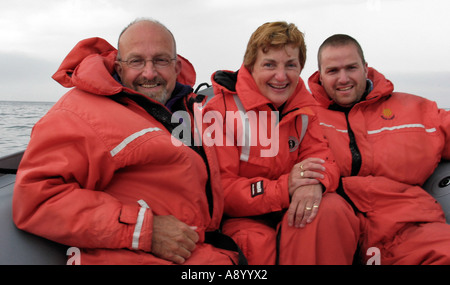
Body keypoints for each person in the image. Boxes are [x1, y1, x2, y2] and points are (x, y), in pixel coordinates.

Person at [12, 18, 240, 265]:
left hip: (204, 249)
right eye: (136, 61)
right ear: (119, 68)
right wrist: (145, 230)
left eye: (161, 60)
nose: (150, 73)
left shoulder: (188, 110)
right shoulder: (79, 112)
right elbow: (37, 199)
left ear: (176, 67)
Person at [203, 22, 360, 265]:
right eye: (269, 65)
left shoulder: (304, 108)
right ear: (250, 66)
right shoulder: (219, 112)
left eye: (290, 65)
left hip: (292, 211)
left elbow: (324, 160)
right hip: (244, 220)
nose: (281, 76)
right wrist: (285, 187)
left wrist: (316, 183)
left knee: (333, 209)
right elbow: (222, 191)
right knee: (257, 243)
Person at [308, 34, 450, 264]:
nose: (343, 79)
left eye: (351, 68)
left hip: (407, 226)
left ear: (365, 68)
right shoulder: (303, 116)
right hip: (333, 228)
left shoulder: (415, 111)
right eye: (333, 71)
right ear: (320, 76)